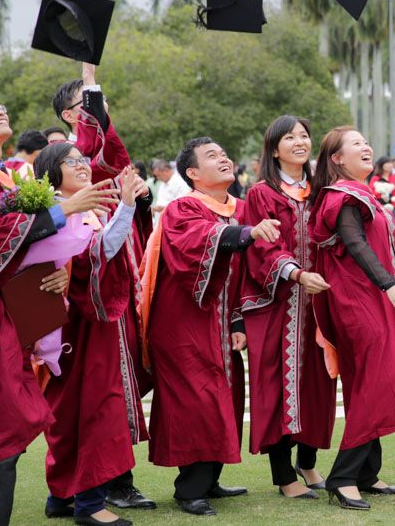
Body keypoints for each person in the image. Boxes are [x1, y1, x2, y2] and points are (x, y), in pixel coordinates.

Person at [0, 81, 118, 525]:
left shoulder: (3, 175)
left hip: (8, 318)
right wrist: (61, 211)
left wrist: (51, 272)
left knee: (3, 435)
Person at [142, 137, 281, 516]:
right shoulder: (182, 208)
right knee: (195, 401)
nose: (223, 159)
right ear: (192, 173)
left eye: (223, 154)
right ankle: (190, 490)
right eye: (211, 156)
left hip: (221, 325)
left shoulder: (240, 208)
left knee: (225, 396)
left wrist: (237, 318)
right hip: (183, 323)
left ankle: (209, 479)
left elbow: (245, 274)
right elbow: (196, 245)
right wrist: (244, 234)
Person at [307, 127, 395, 510]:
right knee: (373, 384)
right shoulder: (342, 197)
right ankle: (343, 478)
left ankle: (366, 473)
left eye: (366, 141)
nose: (366, 146)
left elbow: (376, 249)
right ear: (337, 160)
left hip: (374, 298)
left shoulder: (365, 195)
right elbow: (355, 245)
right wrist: (390, 285)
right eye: (356, 143)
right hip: (358, 303)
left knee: (374, 382)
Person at [34, 146, 148, 526]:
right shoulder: (50, 212)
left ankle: (61, 496)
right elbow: (98, 254)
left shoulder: (83, 210)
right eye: (72, 162)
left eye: (84, 160)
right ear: (52, 171)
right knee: (95, 410)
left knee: (69, 412)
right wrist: (127, 208)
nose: (83, 166)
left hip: (82, 325)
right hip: (74, 327)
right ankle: (89, 504)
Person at [240, 116, 336, 500]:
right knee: (276, 386)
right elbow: (262, 247)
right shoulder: (261, 194)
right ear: (274, 148)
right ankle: (284, 475)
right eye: (289, 137)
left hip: (319, 303)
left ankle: (308, 463)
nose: (300, 141)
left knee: (318, 382)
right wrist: (295, 274)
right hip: (277, 305)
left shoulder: (321, 191)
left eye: (304, 135)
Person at [51, 63, 132, 184]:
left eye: (101, 98)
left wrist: (145, 195)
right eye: (86, 100)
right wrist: (88, 76)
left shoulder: (109, 142)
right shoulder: (60, 153)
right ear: (68, 115)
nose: (102, 104)